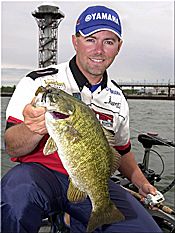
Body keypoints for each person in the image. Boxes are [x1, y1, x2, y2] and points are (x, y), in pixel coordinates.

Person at [1, 5, 162, 233]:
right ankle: (70, 219)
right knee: (16, 196)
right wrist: (33, 129)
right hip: (40, 176)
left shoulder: (118, 98)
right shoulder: (36, 82)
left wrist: (141, 182)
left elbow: (122, 152)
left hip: (92, 181)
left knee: (146, 230)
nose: (99, 50)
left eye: (109, 41)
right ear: (75, 41)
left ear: (118, 47)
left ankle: (69, 220)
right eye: (90, 39)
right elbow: (12, 148)